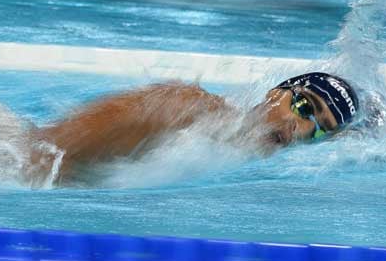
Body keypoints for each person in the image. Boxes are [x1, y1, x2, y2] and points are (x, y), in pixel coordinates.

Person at [26, 72, 360, 185]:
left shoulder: (236, 159)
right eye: (304, 107)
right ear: (276, 92)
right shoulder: (191, 108)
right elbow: (49, 149)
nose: (300, 128)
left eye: (318, 130)